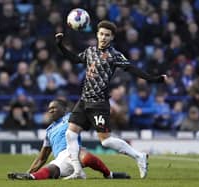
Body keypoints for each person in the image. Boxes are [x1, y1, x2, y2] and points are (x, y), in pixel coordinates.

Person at [55, 20, 167, 179]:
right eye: (101, 34)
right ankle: (78, 171)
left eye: (107, 35)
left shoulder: (114, 55)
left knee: (105, 142)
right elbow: (74, 59)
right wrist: (60, 45)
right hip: (84, 100)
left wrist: (154, 79)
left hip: (99, 103)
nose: (103, 37)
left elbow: (133, 69)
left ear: (112, 37)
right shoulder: (90, 51)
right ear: (97, 34)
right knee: (70, 134)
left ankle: (138, 156)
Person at [7, 99, 130, 180]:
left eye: (54, 107)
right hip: (61, 157)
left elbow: (90, 116)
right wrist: (29, 171)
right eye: (49, 109)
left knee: (86, 157)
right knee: (51, 170)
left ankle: (109, 175)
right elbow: (42, 158)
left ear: (64, 109)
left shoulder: (71, 117)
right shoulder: (49, 131)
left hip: (75, 151)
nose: (51, 110)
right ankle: (30, 176)